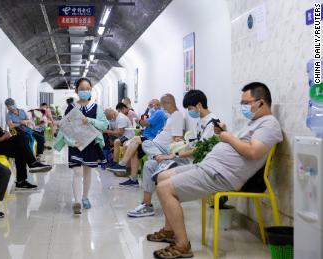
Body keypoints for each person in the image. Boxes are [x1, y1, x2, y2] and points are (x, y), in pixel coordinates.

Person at [150, 82, 283, 259]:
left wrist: (227, 137)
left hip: (222, 174)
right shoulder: (255, 122)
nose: (243, 107)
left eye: (246, 102)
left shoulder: (269, 124)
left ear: (261, 102)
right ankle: (169, 230)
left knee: (164, 188)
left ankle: (182, 245)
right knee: (162, 176)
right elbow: (244, 145)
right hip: (210, 167)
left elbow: (253, 152)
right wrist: (227, 134)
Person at [128, 90, 218, 218]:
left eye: (190, 108)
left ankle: (162, 161)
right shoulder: (201, 122)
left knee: (153, 160)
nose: (189, 112)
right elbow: (193, 144)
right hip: (176, 154)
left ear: (198, 105)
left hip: (190, 162)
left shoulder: (212, 124)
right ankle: (147, 205)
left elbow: (198, 150)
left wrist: (174, 155)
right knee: (149, 163)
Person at [0, 95, 52, 190]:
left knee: (22, 140)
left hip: (0, 140)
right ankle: (31, 166)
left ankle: (24, 178)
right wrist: (2, 138)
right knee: (20, 147)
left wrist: (5, 133)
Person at [54, 78, 108, 214]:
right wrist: (71, 142)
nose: (85, 91)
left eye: (87, 89)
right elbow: (65, 127)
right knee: (77, 171)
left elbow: (103, 124)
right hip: (75, 144)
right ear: (77, 90)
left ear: (91, 90)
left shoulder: (96, 108)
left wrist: (89, 120)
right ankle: (77, 201)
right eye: (82, 89)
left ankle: (85, 197)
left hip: (90, 143)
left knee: (88, 171)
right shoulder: (71, 108)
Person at [108, 99, 167, 187]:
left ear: (155, 105)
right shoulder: (155, 113)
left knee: (133, 141)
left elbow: (145, 123)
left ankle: (123, 165)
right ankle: (133, 179)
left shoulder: (159, 113)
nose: (149, 108)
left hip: (151, 139)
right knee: (133, 151)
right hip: (147, 136)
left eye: (150, 105)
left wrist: (138, 121)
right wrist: (142, 129)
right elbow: (148, 125)